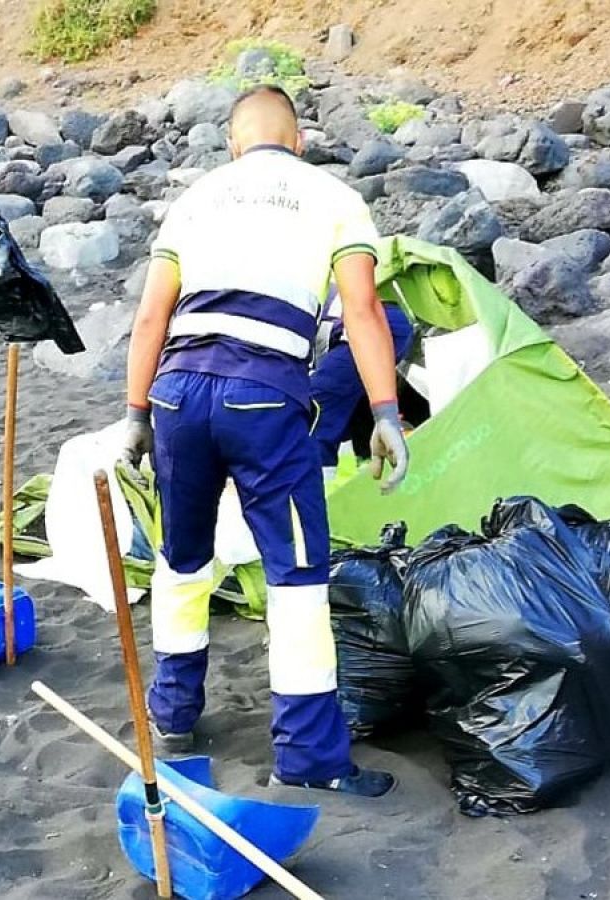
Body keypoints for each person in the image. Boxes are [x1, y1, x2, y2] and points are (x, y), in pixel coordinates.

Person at [120, 86, 409, 797]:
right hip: (264, 395)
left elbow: (152, 314)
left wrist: (134, 413)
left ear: (233, 143)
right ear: (300, 141)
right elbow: (365, 313)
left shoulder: (198, 198)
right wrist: (386, 414)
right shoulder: (333, 197)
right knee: (297, 577)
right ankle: (309, 759)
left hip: (178, 394)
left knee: (182, 560)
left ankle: (174, 714)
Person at [310, 287, 416, 473]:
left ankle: (318, 495)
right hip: (381, 320)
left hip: (370, 325)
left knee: (314, 414)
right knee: (352, 409)